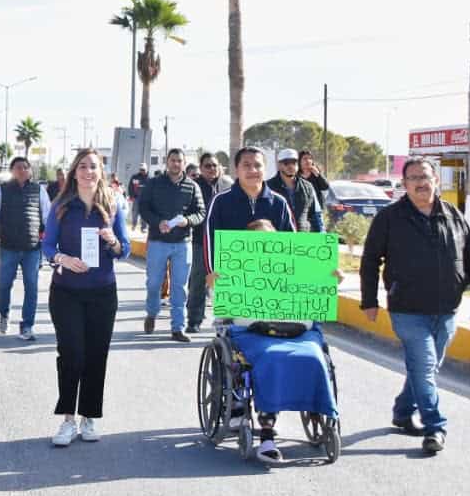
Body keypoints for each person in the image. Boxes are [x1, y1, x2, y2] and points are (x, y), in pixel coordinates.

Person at [360, 157, 470, 455]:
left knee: (425, 368)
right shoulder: (390, 218)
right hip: (407, 309)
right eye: (413, 177)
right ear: (404, 184)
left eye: (425, 177)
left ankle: (403, 411)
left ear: (436, 181)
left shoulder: (454, 216)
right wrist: (369, 301)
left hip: (446, 309)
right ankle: (434, 427)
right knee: (424, 366)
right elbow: (370, 260)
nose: (420, 182)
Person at [209, 218, 340, 464]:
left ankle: (321, 411)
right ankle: (267, 434)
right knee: (271, 358)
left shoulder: (297, 264)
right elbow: (223, 310)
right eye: (257, 239)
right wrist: (216, 285)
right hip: (254, 334)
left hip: (299, 332)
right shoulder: (239, 267)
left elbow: (317, 301)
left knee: (314, 357)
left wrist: (329, 281)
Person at [41, 149, 130, 447]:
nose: (88, 171)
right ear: (74, 172)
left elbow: (125, 249)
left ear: (101, 171)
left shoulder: (114, 204)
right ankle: (67, 419)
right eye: (82, 166)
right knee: (72, 354)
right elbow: (47, 246)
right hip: (66, 292)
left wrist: (113, 241)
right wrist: (62, 259)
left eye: (93, 166)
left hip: (103, 292)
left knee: (95, 356)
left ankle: (89, 417)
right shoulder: (61, 206)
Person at [137, 148, 205, 342]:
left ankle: (177, 328)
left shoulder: (192, 186)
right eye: (173, 160)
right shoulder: (153, 184)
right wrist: (157, 222)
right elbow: (143, 207)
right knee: (154, 283)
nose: (176, 164)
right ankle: (151, 313)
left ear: (184, 163)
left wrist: (188, 221)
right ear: (167, 162)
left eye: (179, 161)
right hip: (158, 241)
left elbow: (201, 212)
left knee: (179, 287)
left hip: (182, 243)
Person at [0, 156, 51, 340]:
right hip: (8, 247)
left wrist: (49, 245)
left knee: (32, 287)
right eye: (18, 167)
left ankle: (27, 325)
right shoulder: (1, 191)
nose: (22, 170)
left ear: (30, 170)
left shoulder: (39, 191)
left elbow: (48, 218)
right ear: (12, 171)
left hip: (32, 249)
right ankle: (4, 313)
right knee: (4, 285)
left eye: (25, 167)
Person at [186, 153, 233, 333]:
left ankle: (227, 321)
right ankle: (194, 320)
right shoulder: (194, 187)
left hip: (225, 242)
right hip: (201, 241)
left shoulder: (228, 185)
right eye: (207, 166)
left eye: (214, 165)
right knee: (198, 281)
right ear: (201, 167)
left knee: (224, 283)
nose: (212, 169)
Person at [266, 148, 324, 232]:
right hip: (278, 240)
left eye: (294, 162)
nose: (291, 166)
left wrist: (321, 237)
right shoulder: (267, 187)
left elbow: (316, 215)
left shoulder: (308, 187)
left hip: (302, 240)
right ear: (279, 165)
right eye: (286, 163)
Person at [127, 163, 149, 232]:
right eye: (141, 169)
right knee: (135, 212)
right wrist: (131, 196)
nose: (142, 171)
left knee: (144, 213)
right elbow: (130, 186)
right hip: (136, 198)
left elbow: (152, 189)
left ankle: (144, 227)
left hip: (146, 199)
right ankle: (134, 225)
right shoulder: (135, 177)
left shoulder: (150, 178)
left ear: (146, 169)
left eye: (143, 170)